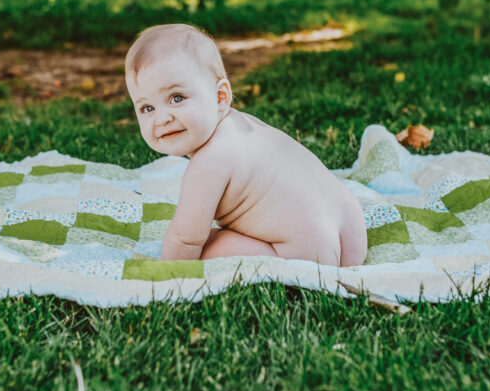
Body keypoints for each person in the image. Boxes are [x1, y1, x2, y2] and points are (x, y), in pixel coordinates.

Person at [125, 23, 367, 267]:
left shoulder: (210, 161)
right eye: (147, 108)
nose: (162, 118)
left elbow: (185, 240)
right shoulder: (243, 126)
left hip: (304, 255)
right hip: (352, 229)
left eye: (177, 98)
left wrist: (169, 269)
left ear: (221, 96)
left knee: (207, 247)